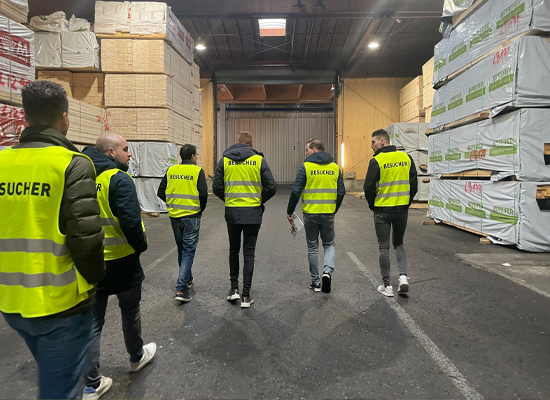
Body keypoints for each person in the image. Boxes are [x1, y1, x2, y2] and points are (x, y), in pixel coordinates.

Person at [0, 81, 105, 399]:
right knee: (60, 391)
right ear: (65, 117)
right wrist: (94, 282)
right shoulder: (71, 163)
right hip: (61, 304)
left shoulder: (2, 162)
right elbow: (86, 239)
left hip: (11, 302)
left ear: (26, 117)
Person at [81, 134, 156, 399]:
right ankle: (136, 356)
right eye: (126, 149)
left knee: (93, 322)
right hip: (123, 261)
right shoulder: (119, 179)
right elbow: (131, 222)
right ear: (111, 152)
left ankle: (91, 383)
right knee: (130, 311)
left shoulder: (81, 177)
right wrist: (141, 245)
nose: (130, 154)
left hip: (92, 262)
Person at [213, 131, 277, 308]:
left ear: (237, 142)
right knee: (249, 253)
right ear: (251, 145)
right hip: (253, 213)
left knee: (233, 249)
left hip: (232, 213)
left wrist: (229, 199)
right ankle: (246, 296)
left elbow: (217, 187)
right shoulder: (258, 160)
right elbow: (271, 187)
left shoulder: (225, 160)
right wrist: (259, 201)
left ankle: (234, 289)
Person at [287, 139, 346, 294]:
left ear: (314, 149)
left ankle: (316, 282)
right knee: (329, 244)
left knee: (313, 246)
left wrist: (290, 211)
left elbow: (296, 191)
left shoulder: (306, 167)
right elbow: (341, 192)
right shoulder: (335, 167)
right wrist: (334, 208)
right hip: (328, 212)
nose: (305, 153)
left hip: (310, 213)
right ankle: (327, 271)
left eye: (307, 150)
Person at [364, 129, 417, 297]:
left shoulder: (376, 161)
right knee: (399, 243)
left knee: (383, 246)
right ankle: (403, 277)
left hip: (382, 209)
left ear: (382, 141)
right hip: (401, 208)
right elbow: (414, 184)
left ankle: (387, 286)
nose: (371, 145)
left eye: (373, 142)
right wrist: (407, 202)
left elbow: (368, 187)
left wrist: (373, 205)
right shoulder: (406, 158)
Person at [157, 143, 208, 303]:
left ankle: (187, 278)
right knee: (188, 252)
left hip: (174, 216)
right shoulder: (197, 171)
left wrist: (172, 203)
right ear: (193, 156)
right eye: (196, 155)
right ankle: (181, 289)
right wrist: (200, 209)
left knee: (182, 249)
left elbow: (160, 191)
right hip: (191, 216)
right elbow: (203, 194)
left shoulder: (171, 170)